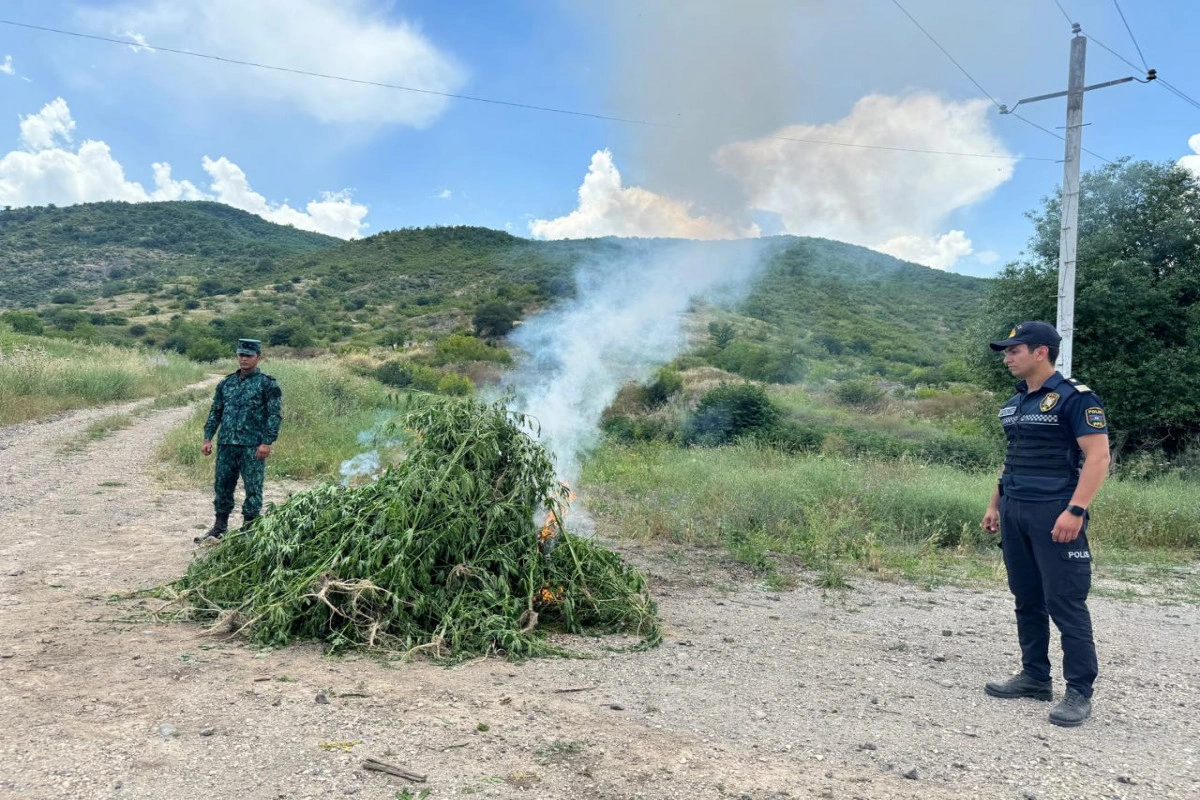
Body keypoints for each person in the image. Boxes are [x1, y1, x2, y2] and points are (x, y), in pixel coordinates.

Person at [980, 321, 1110, 727]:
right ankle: (1035, 676)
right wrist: (995, 504)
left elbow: (1098, 457)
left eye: (1013, 350)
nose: (1007, 358)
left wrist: (1076, 509)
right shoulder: (1016, 402)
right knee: (1027, 597)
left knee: (1065, 601)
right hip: (1016, 509)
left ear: (1040, 352)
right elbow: (1012, 459)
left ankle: (1079, 692)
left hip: (1055, 510)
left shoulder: (1075, 399)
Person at [195, 339, 283, 543]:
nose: (244, 359)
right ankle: (219, 526)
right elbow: (215, 412)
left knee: (253, 486)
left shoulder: (267, 384)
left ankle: (250, 528)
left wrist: (266, 442)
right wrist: (208, 437)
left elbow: (274, 415)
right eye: (241, 355)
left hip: (253, 446)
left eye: (249, 356)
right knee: (222, 485)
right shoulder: (226, 383)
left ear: (258, 357)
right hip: (226, 444)